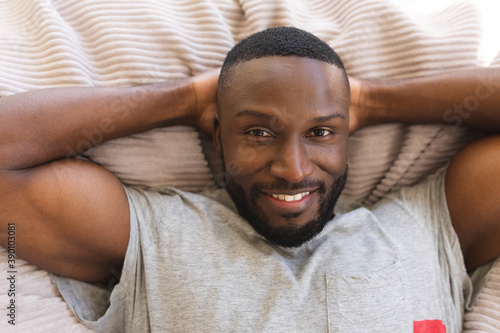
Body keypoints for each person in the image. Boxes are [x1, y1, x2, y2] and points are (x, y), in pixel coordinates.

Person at [0, 26, 499, 332]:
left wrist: (370, 100)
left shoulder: (429, 230)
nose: (294, 168)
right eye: (258, 131)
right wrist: (187, 100)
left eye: (321, 132)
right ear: (218, 136)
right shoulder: (153, 238)